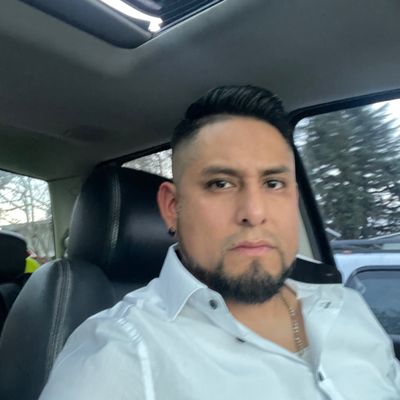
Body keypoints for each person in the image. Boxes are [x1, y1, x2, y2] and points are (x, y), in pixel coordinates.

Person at [39, 86, 400, 399]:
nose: (254, 212)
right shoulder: (119, 353)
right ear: (172, 208)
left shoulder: (346, 306)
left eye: (273, 183)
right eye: (220, 184)